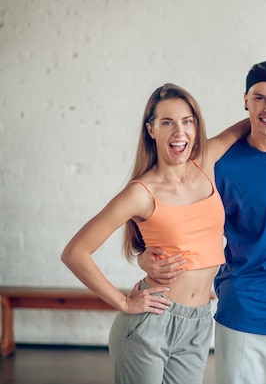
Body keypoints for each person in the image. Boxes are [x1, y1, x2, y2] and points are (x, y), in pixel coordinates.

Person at [139, 61, 266, 384]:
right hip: (245, 315)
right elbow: (176, 214)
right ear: (245, 100)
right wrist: (145, 255)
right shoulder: (221, 165)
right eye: (260, 98)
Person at [61, 83, 241, 384]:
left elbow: (254, 122)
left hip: (198, 321)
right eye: (167, 122)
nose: (179, 132)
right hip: (152, 320)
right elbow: (75, 253)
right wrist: (123, 303)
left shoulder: (206, 162)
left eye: (187, 121)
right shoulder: (141, 193)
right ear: (151, 130)